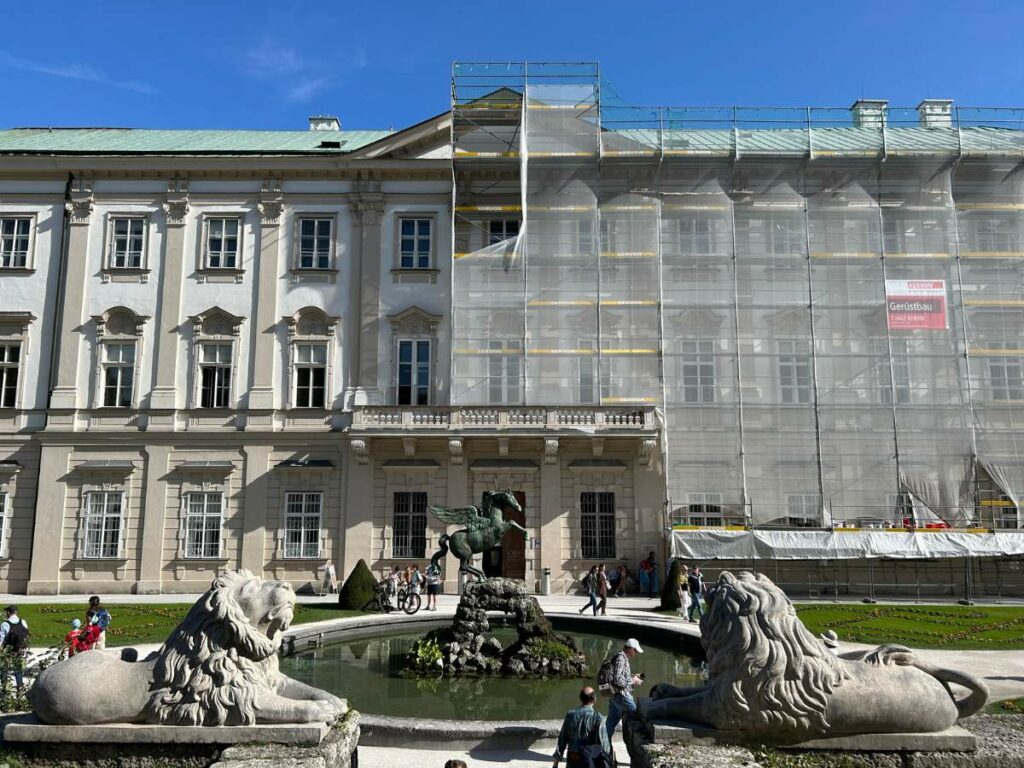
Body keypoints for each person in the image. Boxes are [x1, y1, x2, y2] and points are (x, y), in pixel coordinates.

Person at [553, 686, 612, 768]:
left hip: (573, 758)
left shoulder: (570, 715)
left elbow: (562, 740)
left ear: (581, 699)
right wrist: (609, 761)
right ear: (594, 699)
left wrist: (556, 763)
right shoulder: (598, 717)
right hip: (590, 760)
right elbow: (604, 744)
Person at [605, 638, 643, 739]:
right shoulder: (621, 658)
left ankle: (603, 748)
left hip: (615, 696)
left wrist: (633, 677)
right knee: (637, 717)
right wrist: (633, 681)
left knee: (609, 726)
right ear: (630, 649)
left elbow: (620, 677)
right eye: (635, 651)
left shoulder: (620, 656)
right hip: (622, 696)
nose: (635, 653)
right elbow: (617, 680)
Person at [0, 605, 30, 691]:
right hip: (19, 649)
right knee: (18, 669)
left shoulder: (5, 624)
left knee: (4, 669)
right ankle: (19, 687)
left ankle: (4, 687)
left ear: (8, 612)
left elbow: (1, 639)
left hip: (7, 650)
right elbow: (26, 635)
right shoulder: (23, 622)